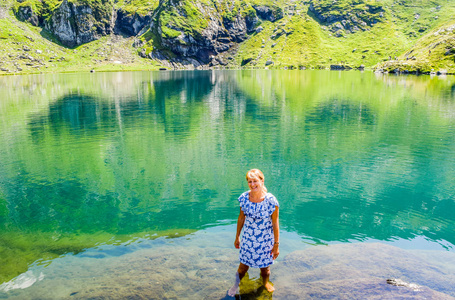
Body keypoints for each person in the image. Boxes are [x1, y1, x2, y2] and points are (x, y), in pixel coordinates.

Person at [228, 169, 280, 296]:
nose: (252, 184)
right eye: (249, 182)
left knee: (265, 268)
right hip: (248, 239)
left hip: (265, 240)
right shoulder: (244, 198)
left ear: (262, 181)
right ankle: (236, 284)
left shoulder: (271, 201)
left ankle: (265, 283)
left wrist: (276, 244)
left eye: (255, 181)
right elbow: (241, 218)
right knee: (243, 267)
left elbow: (275, 223)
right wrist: (237, 237)